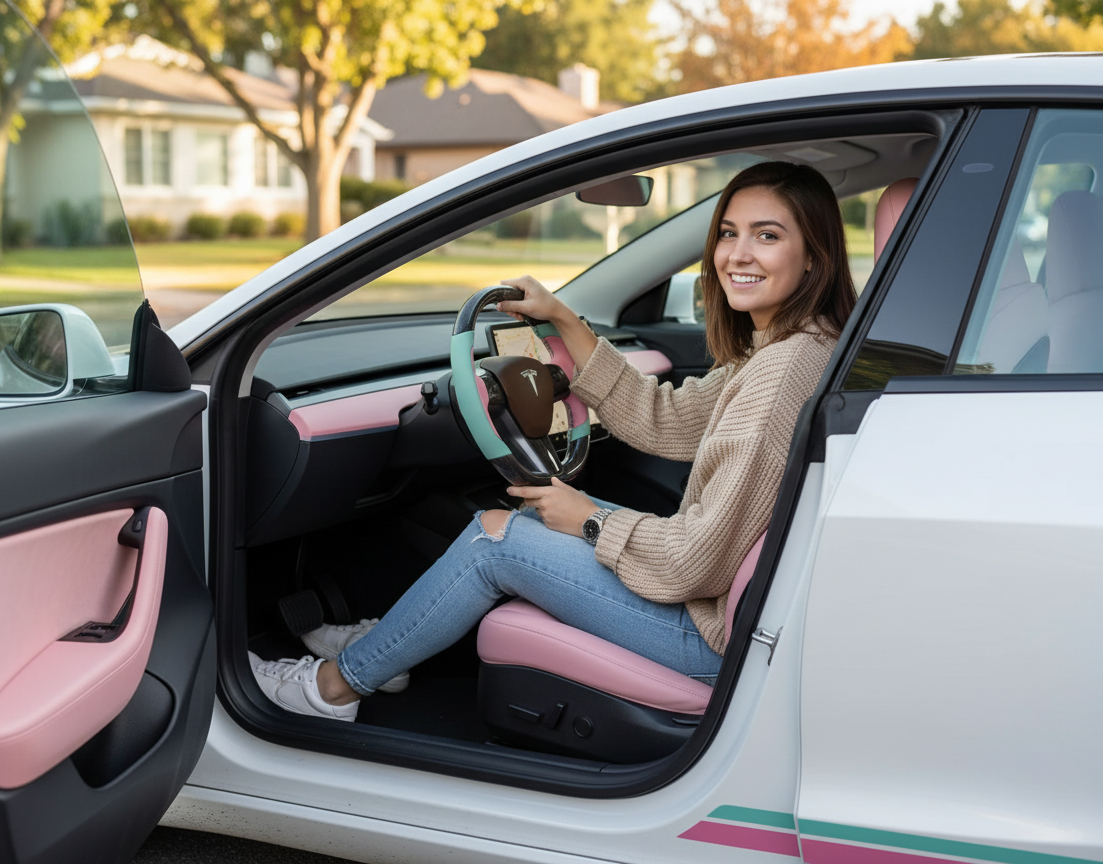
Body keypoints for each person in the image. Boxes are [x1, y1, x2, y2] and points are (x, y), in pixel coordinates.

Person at [250, 161, 857, 721]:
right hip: (723, 605)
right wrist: (565, 319)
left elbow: (692, 562)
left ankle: (333, 689)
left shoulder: (779, 375)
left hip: (706, 635)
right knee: (526, 517)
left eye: (767, 235)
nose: (737, 254)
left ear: (814, 256)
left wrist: (590, 518)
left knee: (494, 539)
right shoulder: (801, 348)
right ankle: (387, 648)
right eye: (728, 233)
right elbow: (665, 419)